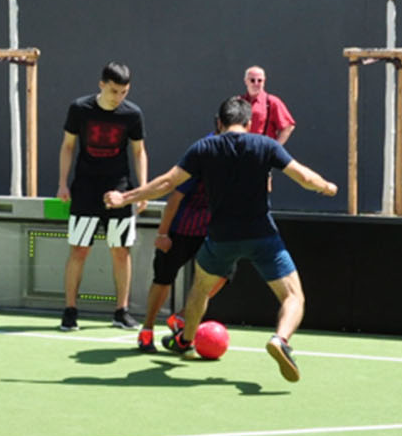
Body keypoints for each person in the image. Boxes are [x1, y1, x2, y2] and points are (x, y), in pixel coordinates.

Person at [106, 96, 337, 383]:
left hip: (220, 239)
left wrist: (124, 198)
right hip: (262, 236)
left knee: (199, 290)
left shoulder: (204, 147)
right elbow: (302, 176)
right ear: (249, 123)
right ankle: (281, 340)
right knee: (293, 296)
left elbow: (167, 183)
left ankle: (186, 341)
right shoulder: (265, 145)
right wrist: (326, 186)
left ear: (219, 122)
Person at [56, 62, 147, 332]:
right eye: (114, 91)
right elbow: (68, 146)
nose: (119, 97)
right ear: (101, 85)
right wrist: (63, 183)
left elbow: (139, 152)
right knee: (79, 249)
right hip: (85, 187)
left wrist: (140, 191)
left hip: (120, 189)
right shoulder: (79, 109)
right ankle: (70, 311)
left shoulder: (132, 114)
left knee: (120, 251)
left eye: (124, 92)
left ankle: (121, 311)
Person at [134, 175, 219, 352]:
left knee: (223, 275)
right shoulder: (201, 159)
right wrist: (163, 234)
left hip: (212, 233)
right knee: (163, 279)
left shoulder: (238, 164)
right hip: (180, 230)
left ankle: (181, 318)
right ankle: (147, 329)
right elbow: (174, 198)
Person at [243, 65, 296, 144]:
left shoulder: (272, 102)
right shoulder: (238, 102)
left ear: (264, 81)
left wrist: (275, 148)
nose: (256, 83)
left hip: (263, 152)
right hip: (242, 152)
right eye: (252, 80)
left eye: (260, 80)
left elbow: (288, 127)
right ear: (246, 81)